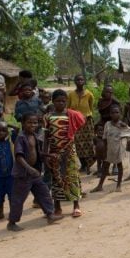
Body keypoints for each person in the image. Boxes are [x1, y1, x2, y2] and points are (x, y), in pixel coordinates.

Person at [7, 113, 63, 231]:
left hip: (34, 173)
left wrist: (49, 155)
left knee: (44, 193)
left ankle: (50, 214)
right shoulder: (20, 138)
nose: (33, 125)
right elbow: (19, 156)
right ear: (23, 124)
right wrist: (29, 168)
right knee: (18, 199)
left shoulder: (34, 136)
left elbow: (38, 153)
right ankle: (12, 222)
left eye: (35, 122)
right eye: (29, 122)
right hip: (23, 174)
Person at [44, 89, 84, 217]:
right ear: (53, 101)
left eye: (63, 101)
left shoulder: (71, 115)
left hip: (69, 151)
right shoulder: (48, 117)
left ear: (66, 101)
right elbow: (46, 137)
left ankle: (76, 205)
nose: (60, 103)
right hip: (54, 153)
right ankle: (57, 207)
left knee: (72, 177)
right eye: (57, 101)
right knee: (56, 179)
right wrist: (45, 154)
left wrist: (68, 148)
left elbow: (77, 130)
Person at [91, 104, 130, 193]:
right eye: (113, 112)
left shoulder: (122, 125)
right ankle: (100, 186)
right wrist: (105, 148)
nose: (115, 114)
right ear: (110, 114)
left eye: (117, 112)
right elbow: (105, 137)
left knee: (119, 166)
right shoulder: (107, 124)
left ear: (120, 113)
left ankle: (118, 185)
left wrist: (124, 137)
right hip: (109, 149)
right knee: (105, 167)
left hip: (118, 149)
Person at [67, 75, 95, 174]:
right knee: (78, 144)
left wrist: (86, 117)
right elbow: (68, 108)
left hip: (87, 122)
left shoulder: (89, 94)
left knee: (89, 143)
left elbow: (91, 108)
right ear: (74, 81)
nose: (79, 81)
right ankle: (83, 165)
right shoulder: (71, 95)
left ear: (84, 81)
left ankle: (88, 165)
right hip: (75, 123)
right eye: (77, 80)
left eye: (81, 79)